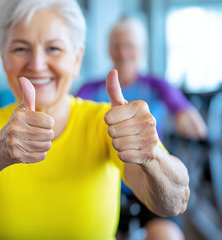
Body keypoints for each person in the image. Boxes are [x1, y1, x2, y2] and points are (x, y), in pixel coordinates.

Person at [0, 1, 190, 239]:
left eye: (54, 49)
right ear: (3, 58)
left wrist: (153, 154)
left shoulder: (102, 122)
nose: (37, 64)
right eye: (21, 48)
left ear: (76, 59)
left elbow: (173, 201)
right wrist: (0, 150)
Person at [76, 17, 206, 239]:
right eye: (117, 45)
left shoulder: (157, 85)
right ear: (109, 50)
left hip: (150, 180)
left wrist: (184, 117)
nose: (123, 52)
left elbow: (197, 126)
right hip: (102, 183)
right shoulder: (90, 89)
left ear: (142, 50)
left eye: (130, 46)